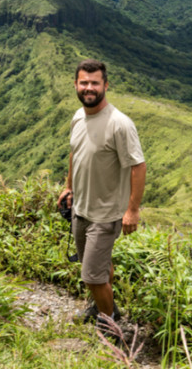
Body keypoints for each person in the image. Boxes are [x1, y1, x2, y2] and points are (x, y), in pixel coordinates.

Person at [58, 59, 146, 339]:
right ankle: (104, 308)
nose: (89, 88)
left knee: (91, 276)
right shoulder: (78, 117)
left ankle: (111, 329)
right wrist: (68, 186)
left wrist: (132, 210)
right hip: (81, 209)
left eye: (95, 83)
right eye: (84, 82)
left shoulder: (120, 124)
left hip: (106, 214)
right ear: (75, 85)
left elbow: (138, 166)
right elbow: (75, 152)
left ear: (106, 85)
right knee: (96, 266)